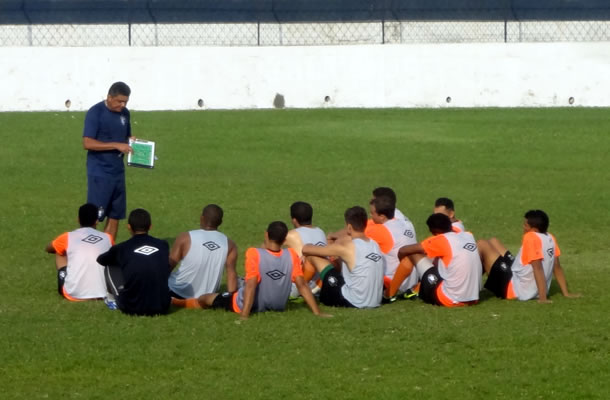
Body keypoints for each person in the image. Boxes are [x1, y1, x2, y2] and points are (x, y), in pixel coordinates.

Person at [172, 221, 329, 320]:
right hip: (278, 305)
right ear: (284, 240)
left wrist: (244, 314)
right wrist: (317, 312)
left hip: (248, 304)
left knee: (206, 298)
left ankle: (178, 302)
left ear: (266, 234)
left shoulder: (254, 253)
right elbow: (301, 284)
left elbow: (252, 284)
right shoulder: (291, 255)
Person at [477, 209, 580, 303]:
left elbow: (538, 268)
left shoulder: (530, 238)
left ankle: (469, 290)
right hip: (520, 280)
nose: (523, 227)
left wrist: (543, 299)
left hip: (514, 289)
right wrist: (566, 293)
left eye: (525, 225)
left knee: (482, 244)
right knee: (494, 241)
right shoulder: (550, 237)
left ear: (534, 229)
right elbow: (557, 267)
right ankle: (473, 287)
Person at [302, 206, 384, 309]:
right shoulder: (374, 244)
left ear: (349, 227)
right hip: (375, 301)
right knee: (337, 261)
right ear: (365, 224)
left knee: (312, 256)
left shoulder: (347, 247)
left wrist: (328, 239)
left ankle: (301, 291)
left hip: (353, 301)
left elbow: (306, 249)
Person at [83, 81, 133, 241]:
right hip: (100, 172)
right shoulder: (95, 112)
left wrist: (131, 141)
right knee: (94, 217)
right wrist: (115, 145)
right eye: (119, 101)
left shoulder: (125, 114)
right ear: (109, 97)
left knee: (115, 215)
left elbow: (124, 138)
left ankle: (107, 254)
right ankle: (87, 250)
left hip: (118, 171)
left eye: (125, 101)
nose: (122, 104)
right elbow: (87, 143)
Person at [97, 208, 171, 316]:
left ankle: (112, 298)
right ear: (150, 226)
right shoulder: (163, 245)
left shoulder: (122, 248)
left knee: (109, 265)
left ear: (129, 227)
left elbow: (101, 260)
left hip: (132, 306)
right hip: (163, 306)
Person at [397, 213, 482, 307]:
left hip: (450, 299)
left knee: (414, 255)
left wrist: (403, 262)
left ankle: (389, 294)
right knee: (439, 260)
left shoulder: (441, 240)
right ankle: (416, 288)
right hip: (473, 298)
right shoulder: (468, 235)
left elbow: (403, 250)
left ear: (434, 231)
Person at [45, 203, 113, 301]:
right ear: (97, 221)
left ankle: (66, 280)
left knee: (59, 251)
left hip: (74, 294)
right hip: (103, 293)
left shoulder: (68, 237)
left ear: (78, 219)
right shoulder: (108, 238)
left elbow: (48, 248)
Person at [168, 204, 238, 298]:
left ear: (202, 218)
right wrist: (232, 298)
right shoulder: (230, 244)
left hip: (175, 291)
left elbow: (168, 267)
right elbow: (231, 273)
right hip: (206, 297)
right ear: (220, 222)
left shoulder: (185, 238)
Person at [365, 195, 418, 302]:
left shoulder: (381, 230)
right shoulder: (406, 223)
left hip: (392, 281)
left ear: (382, 216)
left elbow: (353, 235)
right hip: (412, 281)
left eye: (372, 213)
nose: (370, 215)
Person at [284, 201, 327, 291]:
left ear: (294, 220)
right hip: (320, 282)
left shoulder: (292, 235)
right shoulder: (320, 231)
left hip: (303, 284)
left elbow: (270, 247)